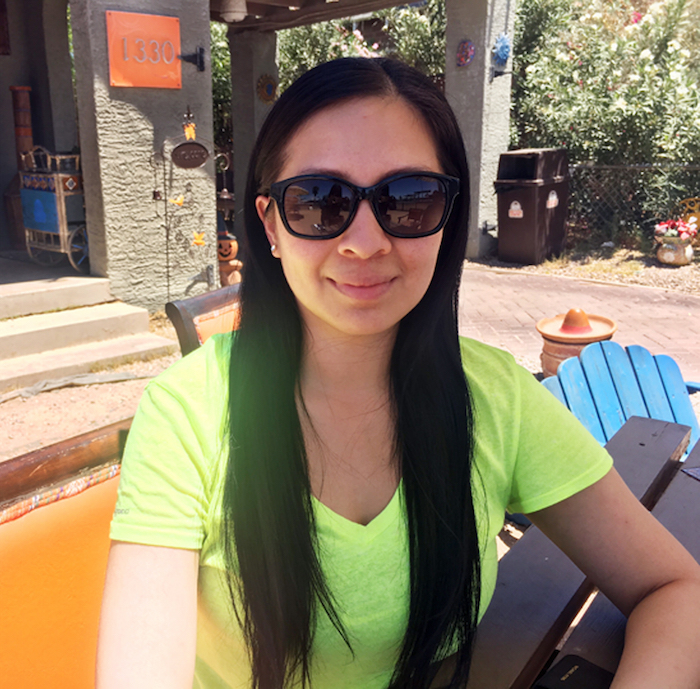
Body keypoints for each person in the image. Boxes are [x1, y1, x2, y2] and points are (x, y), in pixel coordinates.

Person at [97, 58, 700, 689]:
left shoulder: (494, 398)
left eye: (409, 200)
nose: (365, 242)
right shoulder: (188, 413)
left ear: (448, 217)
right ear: (271, 224)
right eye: (319, 202)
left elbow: (671, 585)